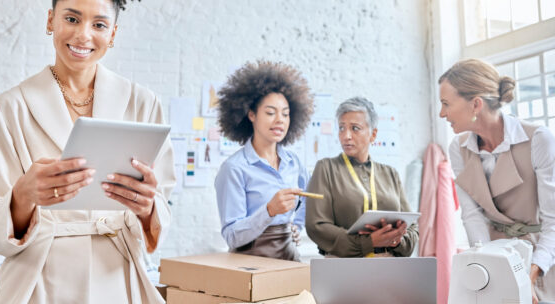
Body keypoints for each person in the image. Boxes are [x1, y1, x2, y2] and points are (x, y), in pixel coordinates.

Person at [0, 0, 174, 304]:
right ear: (50, 20)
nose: (83, 36)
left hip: (119, 282)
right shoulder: (10, 108)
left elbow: (163, 206)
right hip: (40, 284)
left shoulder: (144, 104)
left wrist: (149, 208)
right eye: (72, 18)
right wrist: (22, 197)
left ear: (113, 34)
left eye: (99, 25)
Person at [439, 58, 555, 303]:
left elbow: (553, 222)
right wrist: (487, 263)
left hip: (542, 259)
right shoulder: (457, 148)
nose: (442, 113)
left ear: (476, 104)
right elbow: (472, 215)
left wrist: (530, 275)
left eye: (446, 103)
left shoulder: (538, 139)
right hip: (492, 260)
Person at [214, 61, 314, 261]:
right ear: (251, 115)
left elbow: (307, 200)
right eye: (270, 113)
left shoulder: (294, 163)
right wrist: (269, 211)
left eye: (285, 114)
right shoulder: (235, 168)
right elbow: (232, 237)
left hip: (289, 257)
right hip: (250, 262)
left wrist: (294, 227)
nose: (280, 120)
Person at [306, 97, 418, 257]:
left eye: (355, 128)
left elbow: (412, 226)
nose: (346, 136)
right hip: (344, 266)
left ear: (373, 134)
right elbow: (316, 226)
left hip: (389, 266)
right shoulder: (326, 168)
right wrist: (367, 243)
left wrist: (397, 239)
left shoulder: (390, 173)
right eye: (341, 128)